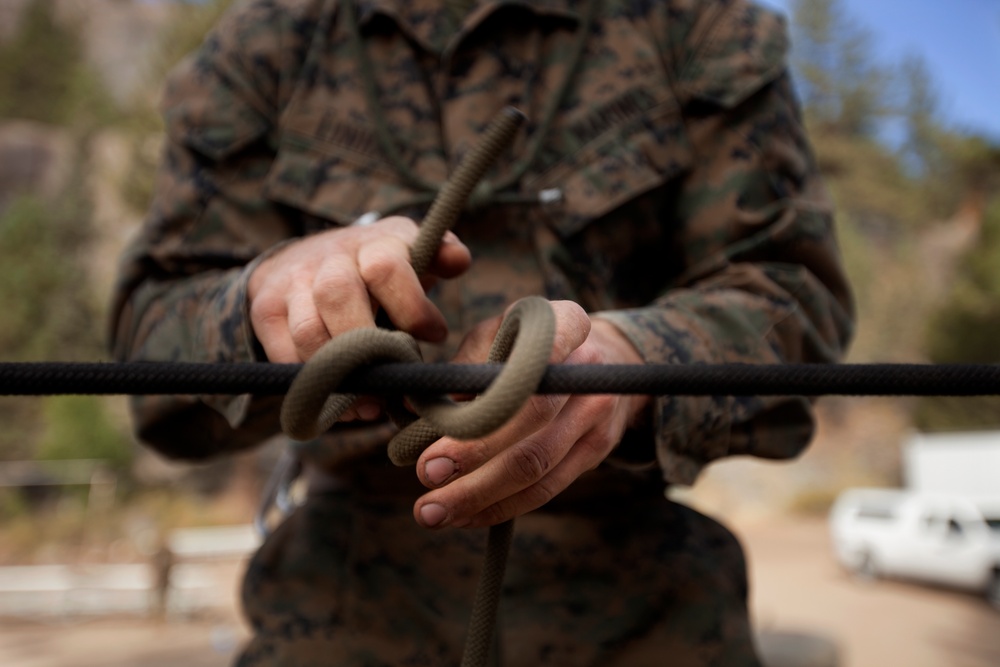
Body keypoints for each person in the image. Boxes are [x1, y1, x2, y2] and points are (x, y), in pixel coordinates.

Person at [109, 0, 855, 664]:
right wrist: (266, 297)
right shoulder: (265, 47)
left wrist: (630, 362)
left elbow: (793, 295)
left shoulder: (695, 24)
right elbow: (147, 359)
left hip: (651, 607)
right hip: (340, 605)